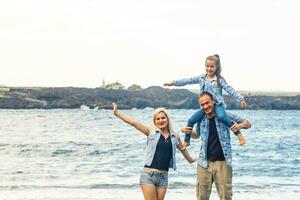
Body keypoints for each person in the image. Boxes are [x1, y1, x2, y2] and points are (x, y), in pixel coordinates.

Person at [112, 103, 196, 200]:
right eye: (158, 119)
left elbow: (183, 149)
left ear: (167, 119)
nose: (161, 120)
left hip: (164, 176)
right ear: (155, 122)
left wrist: (192, 159)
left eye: (163, 118)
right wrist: (117, 113)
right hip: (148, 175)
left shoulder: (175, 137)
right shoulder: (151, 133)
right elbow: (133, 123)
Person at [164, 54, 247, 149]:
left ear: (216, 67)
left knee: (222, 116)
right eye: (207, 66)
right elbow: (188, 80)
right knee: (191, 120)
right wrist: (173, 83)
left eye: (212, 66)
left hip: (217, 105)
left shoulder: (219, 80)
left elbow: (229, 89)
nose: (209, 68)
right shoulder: (201, 78)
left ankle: (239, 134)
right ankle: (186, 141)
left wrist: (240, 98)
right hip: (205, 107)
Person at [181, 92, 251, 200]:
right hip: (204, 163)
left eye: (207, 103)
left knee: (225, 197)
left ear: (213, 101)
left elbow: (248, 123)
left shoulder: (225, 115)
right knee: (201, 197)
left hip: (223, 162)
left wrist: (239, 126)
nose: (205, 106)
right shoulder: (201, 118)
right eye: (202, 105)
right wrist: (186, 131)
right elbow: (197, 135)